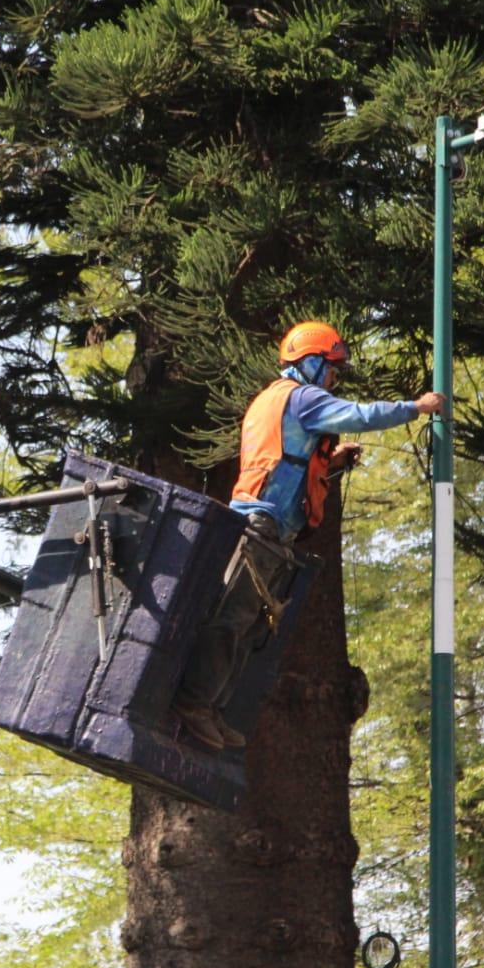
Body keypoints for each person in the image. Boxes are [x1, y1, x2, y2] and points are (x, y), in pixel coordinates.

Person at [172, 321, 446, 751]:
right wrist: (415, 407)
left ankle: (213, 710)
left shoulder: (274, 400)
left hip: (270, 530)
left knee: (249, 631)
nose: (335, 377)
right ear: (312, 362)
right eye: (332, 367)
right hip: (260, 528)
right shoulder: (301, 397)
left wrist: (332, 464)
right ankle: (195, 704)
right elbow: (357, 415)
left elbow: (288, 465)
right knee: (233, 622)